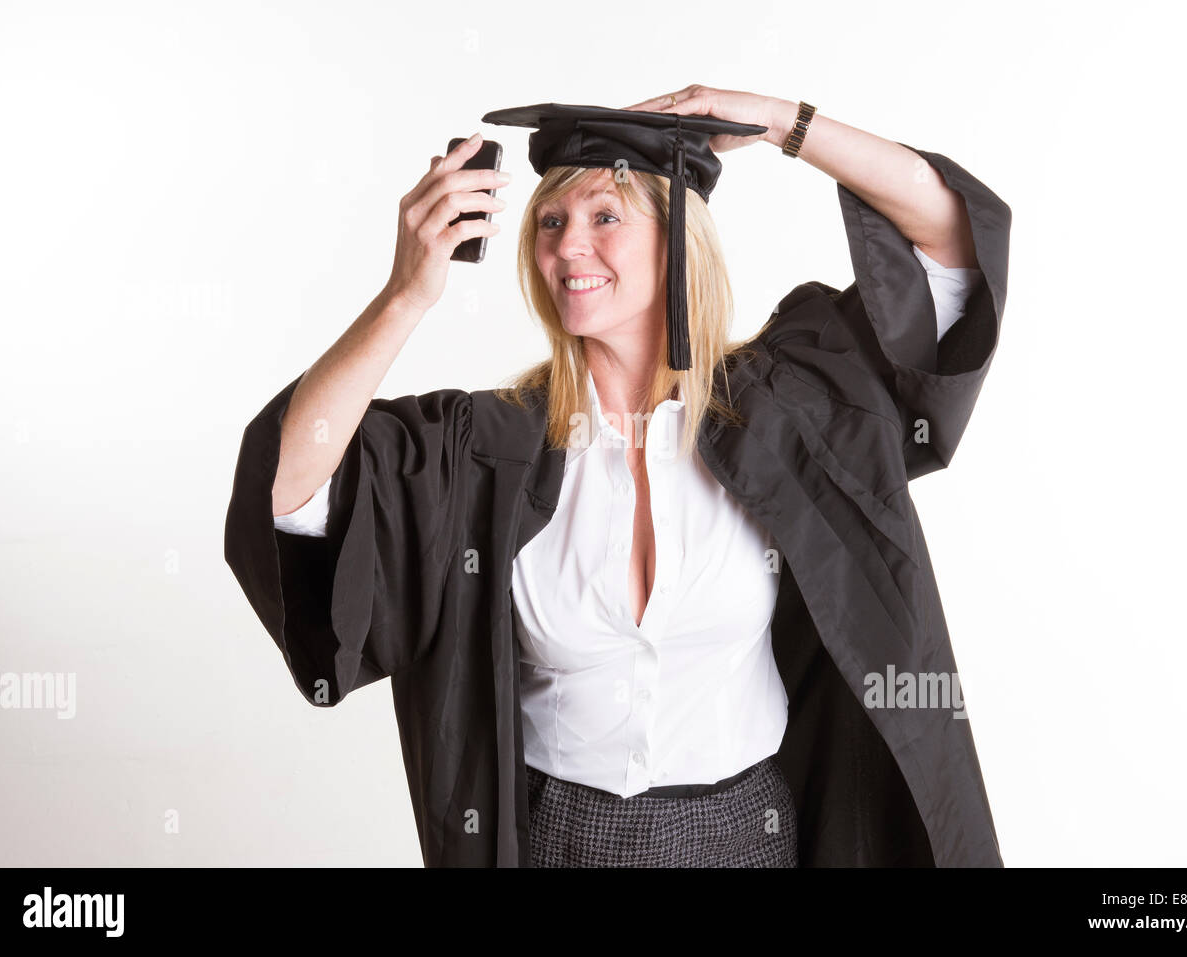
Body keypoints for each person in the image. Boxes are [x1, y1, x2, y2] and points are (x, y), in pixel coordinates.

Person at [225, 86, 1011, 867]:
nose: (569, 245)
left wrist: (783, 123)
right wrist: (404, 296)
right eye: (551, 220)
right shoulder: (486, 452)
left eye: (606, 216)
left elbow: (948, 250)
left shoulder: (785, 410)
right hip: (555, 842)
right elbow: (288, 490)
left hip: (752, 838)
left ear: (679, 241)